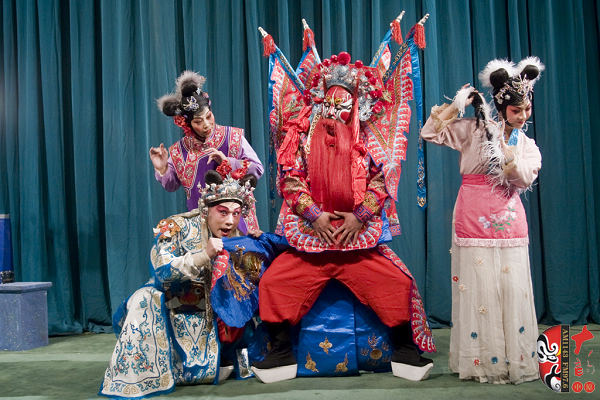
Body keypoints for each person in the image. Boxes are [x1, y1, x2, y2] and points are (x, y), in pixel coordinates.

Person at [251, 52, 435, 384]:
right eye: (330, 103)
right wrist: (314, 215)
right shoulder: (301, 135)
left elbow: (381, 180)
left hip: (356, 242)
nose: (335, 110)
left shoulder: (368, 138)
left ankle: (404, 349)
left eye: (343, 104)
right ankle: (280, 352)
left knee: (398, 283)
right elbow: (291, 179)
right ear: (320, 102)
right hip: (312, 240)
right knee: (273, 283)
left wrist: (360, 216)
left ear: (356, 104)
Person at [420, 57, 544, 384]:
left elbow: (524, 178)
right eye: (516, 110)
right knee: (478, 289)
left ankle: (515, 359)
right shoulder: (474, 129)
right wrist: (455, 106)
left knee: (512, 289)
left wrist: (505, 153)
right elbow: (429, 132)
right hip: (472, 215)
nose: (523, 115)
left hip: (509, 219)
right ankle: (482, 362)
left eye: (527, 109)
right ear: (502, 108)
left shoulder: (526, 146)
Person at [99, 168, 258, 399]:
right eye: (223, 212)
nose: (230, 221)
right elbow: (162, 270)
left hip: (214, 323)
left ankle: (229, 359)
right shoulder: (177, 226)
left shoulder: (238, 237)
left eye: (236, 214)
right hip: (172, 316)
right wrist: (204, 255)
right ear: (207, 210)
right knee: (144, 298)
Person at [150, 71, 263, 233]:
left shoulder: (232, 137)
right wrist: (162, 169)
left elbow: (257, 169)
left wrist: (228, 162)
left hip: (238, 226)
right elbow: (171, 185)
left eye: (208, 116)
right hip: (201, 229)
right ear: (186, 124)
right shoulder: (179, 151)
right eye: (198, 121)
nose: (206, 124)